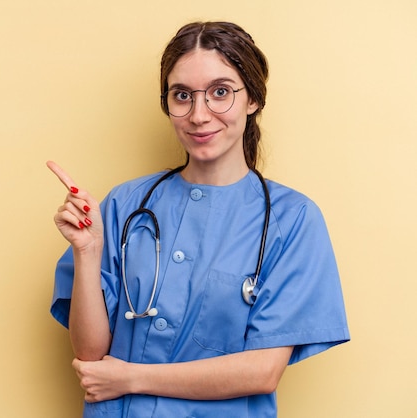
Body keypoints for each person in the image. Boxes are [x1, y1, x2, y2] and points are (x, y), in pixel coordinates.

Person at [47, 21, 350, 418]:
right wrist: (87, 251)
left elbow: (261, 372)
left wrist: (129, 379)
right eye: (182, 96)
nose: (198, 115)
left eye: (220, 93)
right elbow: (90, 355)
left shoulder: (292, 220)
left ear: (253, 99)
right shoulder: (126, 203)